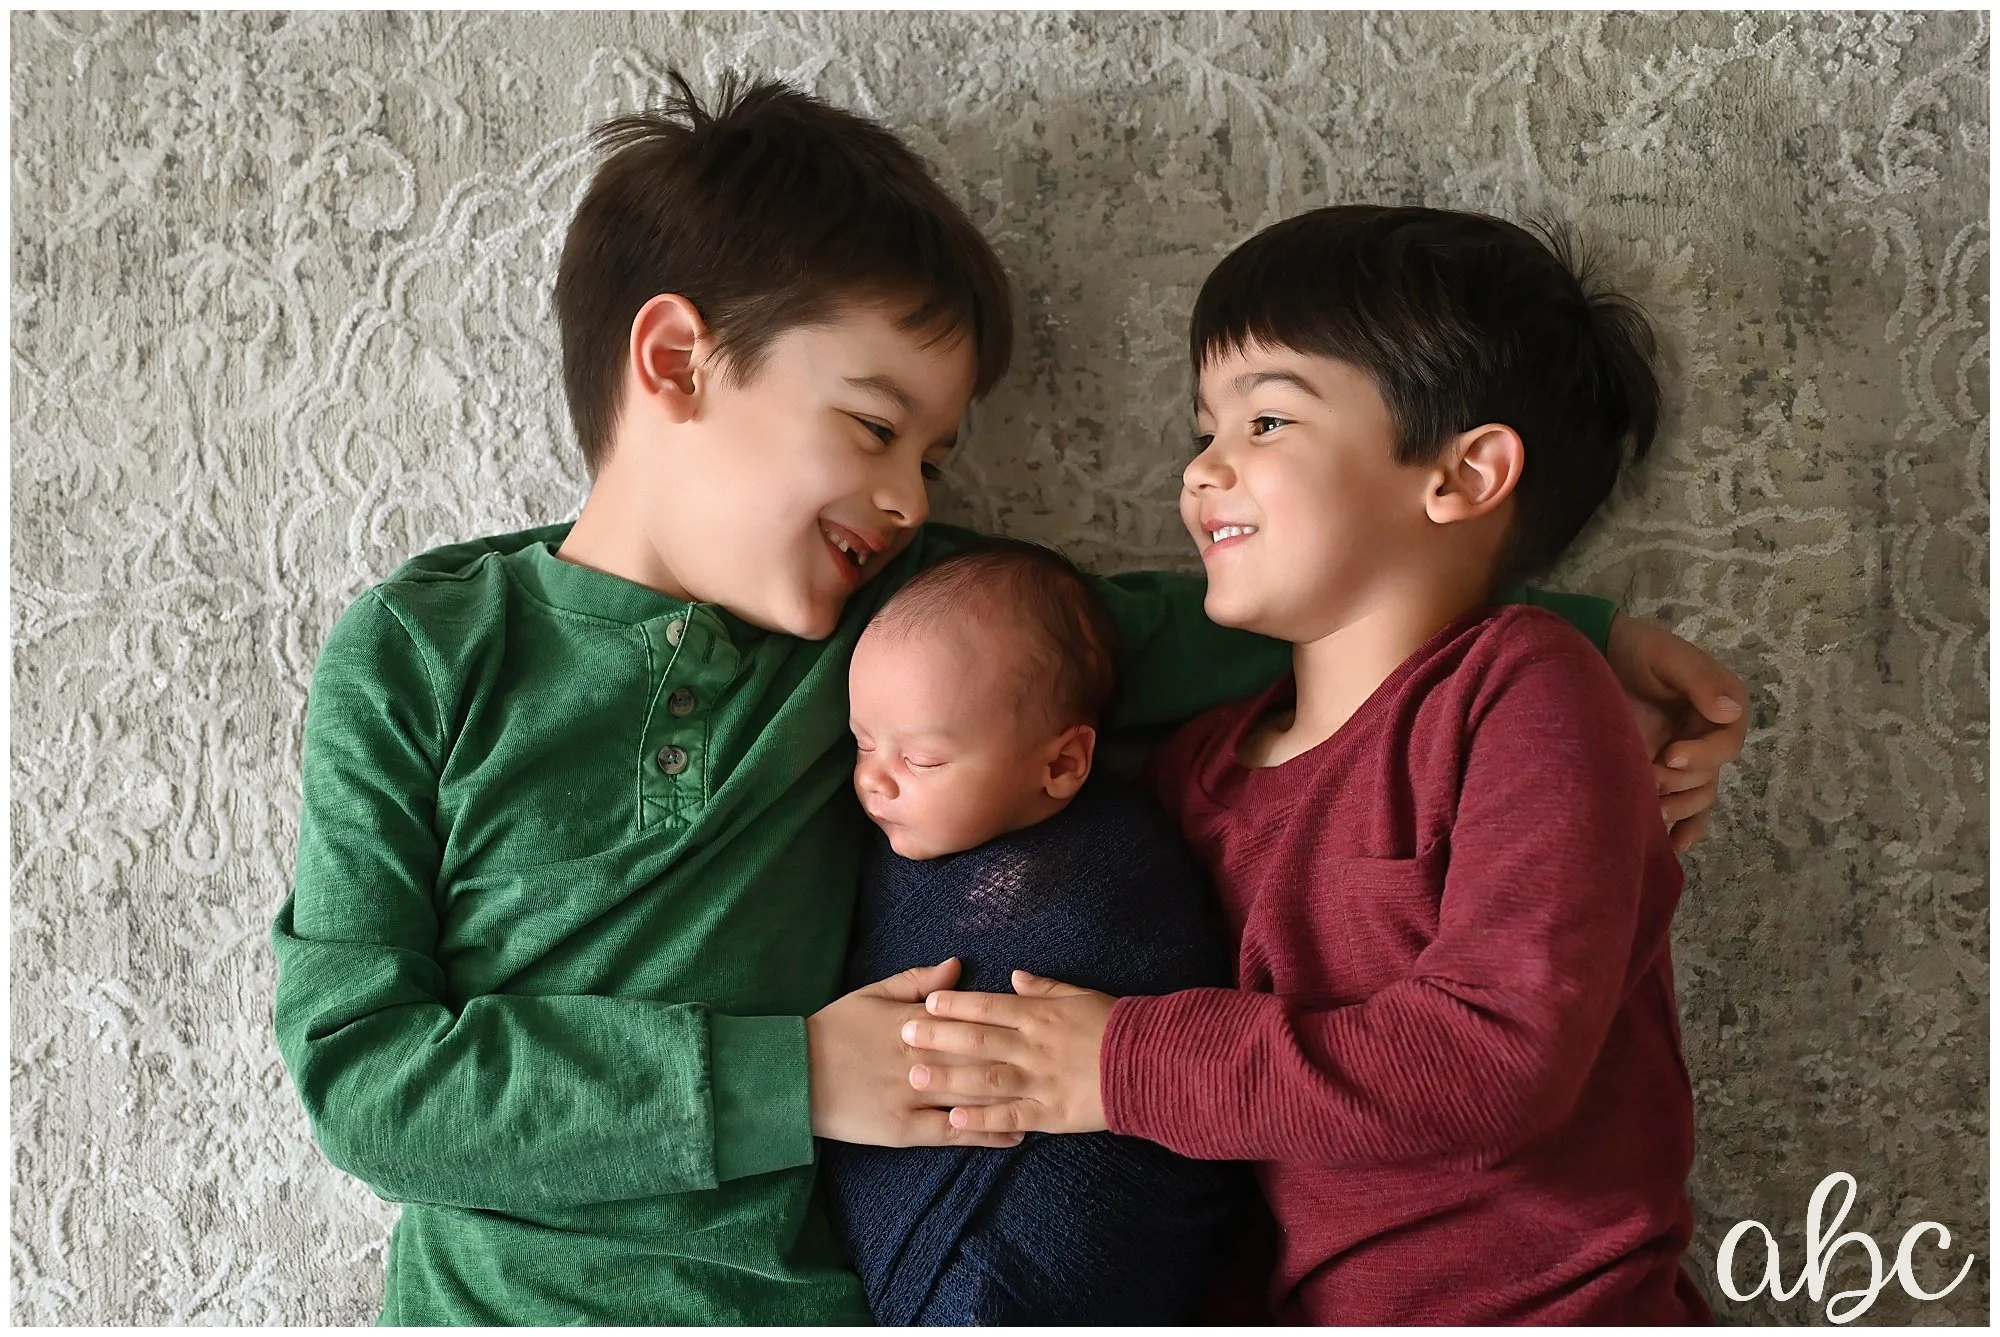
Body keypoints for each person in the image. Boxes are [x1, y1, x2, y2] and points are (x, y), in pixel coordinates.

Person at [270, 68, 1743, 1324]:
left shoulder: (900, 625)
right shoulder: (424, 649)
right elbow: (364, 1076)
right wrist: (791, 1076)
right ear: (675, 360)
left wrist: (1569, 617)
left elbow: (1225, 617)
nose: (910, 498)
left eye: (939, 459)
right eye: (874, 428)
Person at [905, 205, 1717, 1323]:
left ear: (1464, 472)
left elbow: (1499, 1057)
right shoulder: (1193, 770)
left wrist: (1120, 1065)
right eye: (1204, 429)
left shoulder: (1521, 692)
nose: (1200, 471)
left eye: (1266, 420)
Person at [823, 540, 1246, 1324]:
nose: (873, 779)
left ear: (1060, 765)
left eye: (919, 757)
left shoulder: (1122, 862)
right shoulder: (884, 859)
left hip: (1064, 1233)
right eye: (862, 742)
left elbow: (1170, 979)